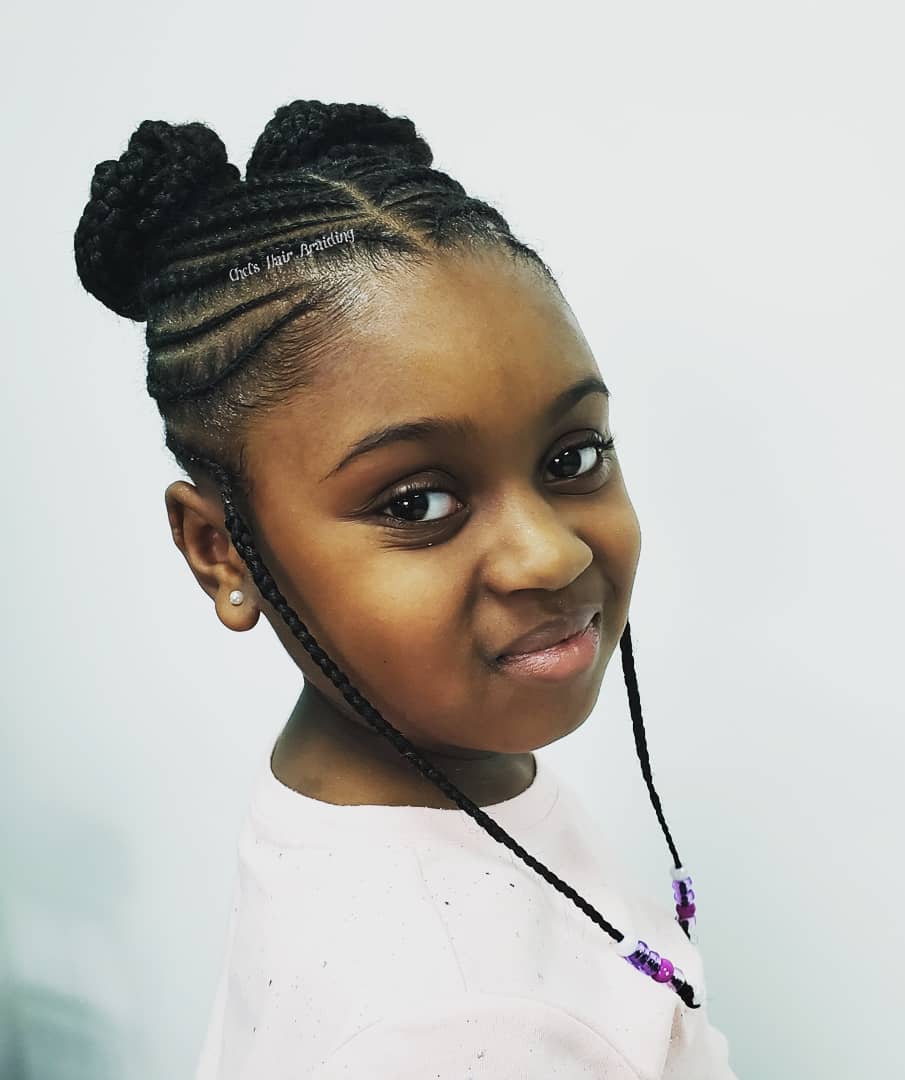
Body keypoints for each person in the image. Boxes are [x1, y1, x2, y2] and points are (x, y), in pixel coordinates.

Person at [73, 99, 741, 1079]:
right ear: (223, 552)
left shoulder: (411, 778)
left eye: (572, 457)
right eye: (418, 502)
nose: (550, 556)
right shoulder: (457, 1024)